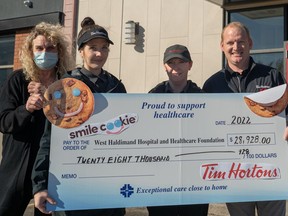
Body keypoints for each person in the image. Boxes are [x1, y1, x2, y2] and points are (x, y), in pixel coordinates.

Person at [32, 17, 126, 215]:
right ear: (81, 51)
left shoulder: (117, 86)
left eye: (104, 48)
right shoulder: (65, 87)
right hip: (72, 185)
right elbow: (49, 139)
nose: (99, 53)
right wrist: (40, 185)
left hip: (108, 186)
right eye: (93, 47)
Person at [202, 21, 286, 216]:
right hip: (234, 172)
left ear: (250, 43)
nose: (236, 47)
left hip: (270, 170)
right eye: (230, 42)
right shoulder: (212, 84)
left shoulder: (272, 76)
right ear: (222, 46)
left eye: (241, 41)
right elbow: (205, 126)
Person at [0, 22, 74, 216]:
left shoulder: (67, 84)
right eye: (39, 48)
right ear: (31, 52)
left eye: (50, 48)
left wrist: (52, 99)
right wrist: (26, 108)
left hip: (51, 166)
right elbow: (4, 121)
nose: (45, 52)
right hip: (18, 165)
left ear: (59, 51)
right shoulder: (18, 80)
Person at [147, 44, 209, 216]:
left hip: (195, 182)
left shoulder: (203, 97)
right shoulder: (152, 97)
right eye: (171, 62)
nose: (176, 67)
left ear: (190, 64)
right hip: (160, 182)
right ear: (164, 66)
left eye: (181, 61)